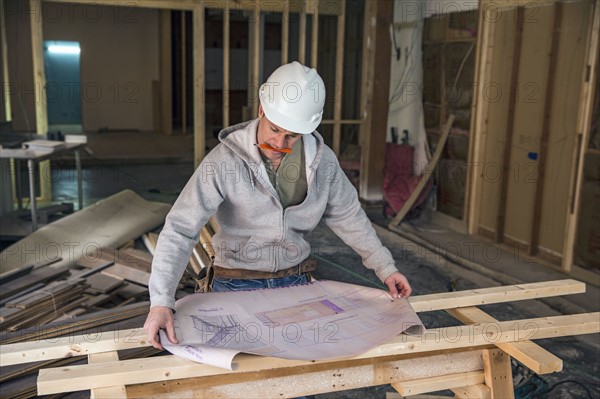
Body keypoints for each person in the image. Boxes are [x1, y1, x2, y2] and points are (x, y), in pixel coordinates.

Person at [144, 61, 412, 350]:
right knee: (240, 382)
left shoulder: (323, 163)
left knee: (296, 379)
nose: (279, 143)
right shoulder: (223, 162)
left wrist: (386, 268)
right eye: (274, 129)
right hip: (236, 284)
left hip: (295, 284)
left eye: (292, 136)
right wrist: (161, 302)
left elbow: (348, 215)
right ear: (261, 110)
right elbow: (181, 228)